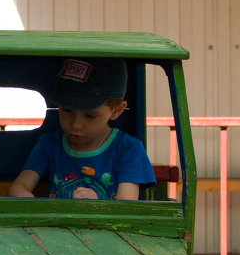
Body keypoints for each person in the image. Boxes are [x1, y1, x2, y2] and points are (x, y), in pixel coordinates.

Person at [8, 57, 155, 200]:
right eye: (66, 110)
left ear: (116, 111)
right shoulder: (49, 144)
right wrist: (23, 196)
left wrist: (99, 205)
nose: (76, 124)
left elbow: (127, 207)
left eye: (90, 116)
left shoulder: (128, 149)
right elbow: (19, 185)